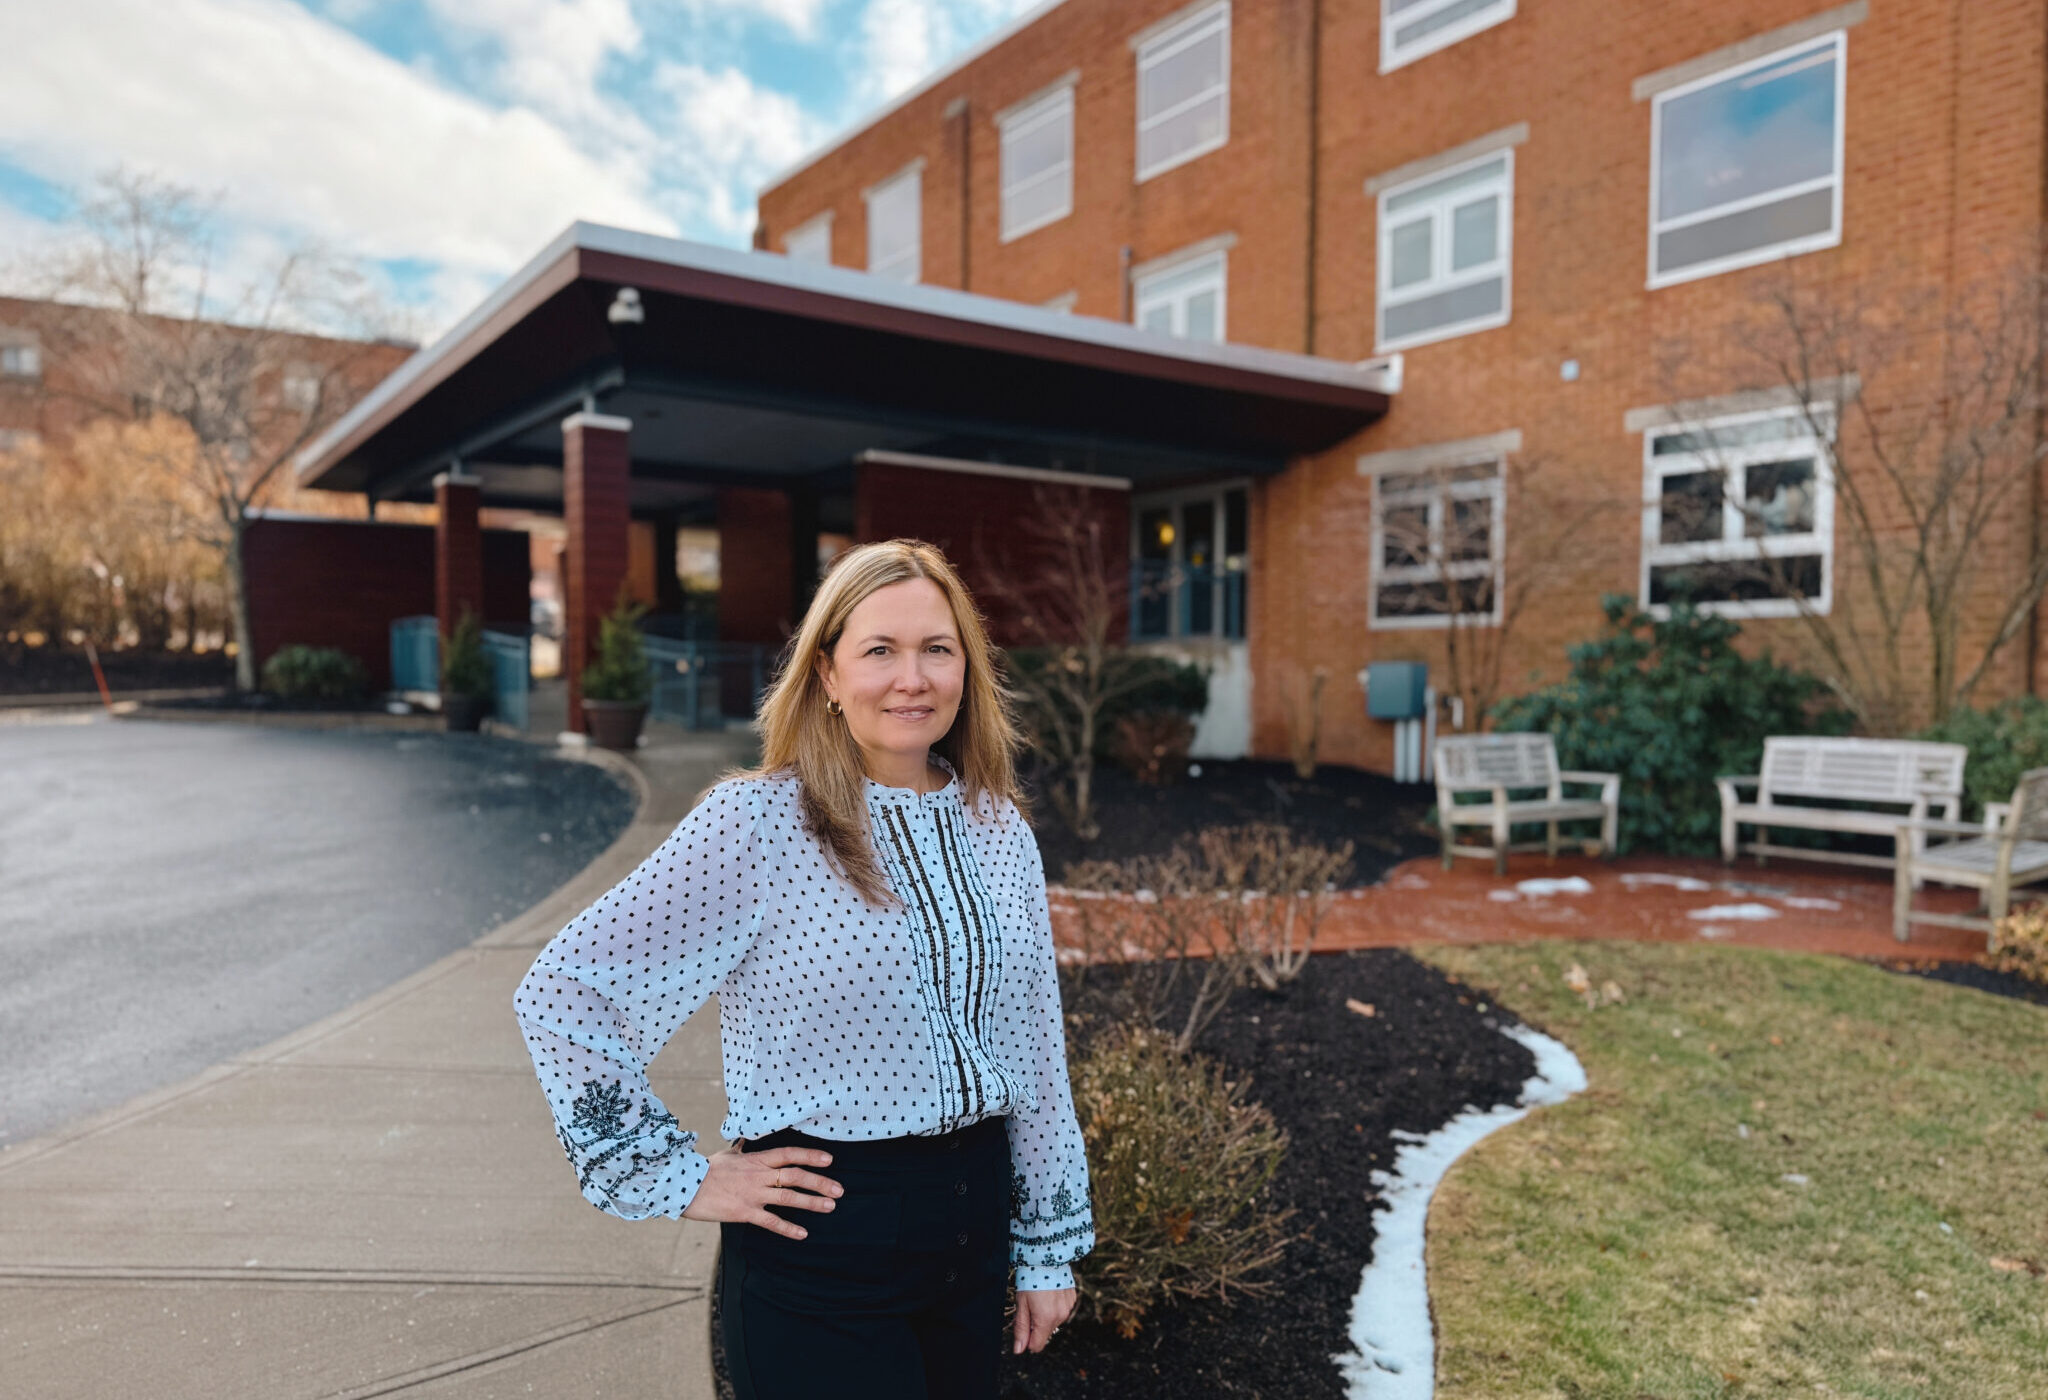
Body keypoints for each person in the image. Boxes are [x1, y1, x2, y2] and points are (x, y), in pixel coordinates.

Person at [514, 538, 1092, 1399]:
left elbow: (1034, 1050)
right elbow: (567, 992)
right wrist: (675, 1174)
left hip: (971, 1235)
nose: (914, 678)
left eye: (938, 649)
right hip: (823, 1241)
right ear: (826, 673)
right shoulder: (758, 824)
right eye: (880, 651)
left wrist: (1046, 1246)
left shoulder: (997, 825)